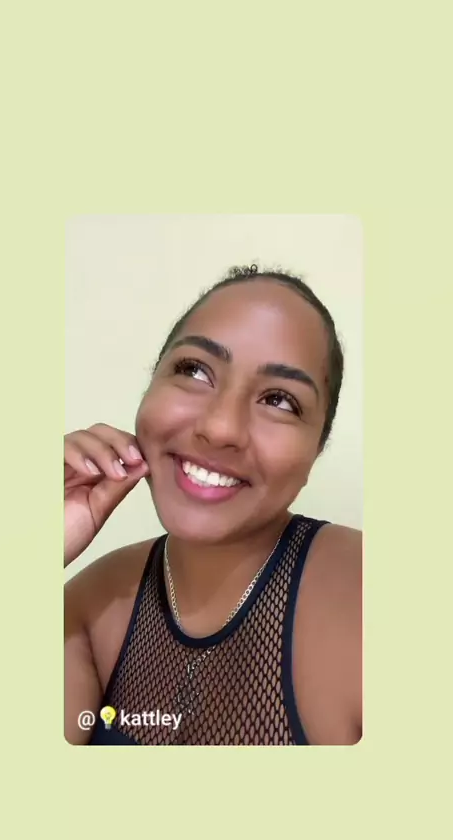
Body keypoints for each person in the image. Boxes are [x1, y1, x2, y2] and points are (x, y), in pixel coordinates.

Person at [64, 264, 362, 746]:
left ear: (316, 450)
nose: (220, 428)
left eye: (280, 400)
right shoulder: (89, 605)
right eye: (194, 370)